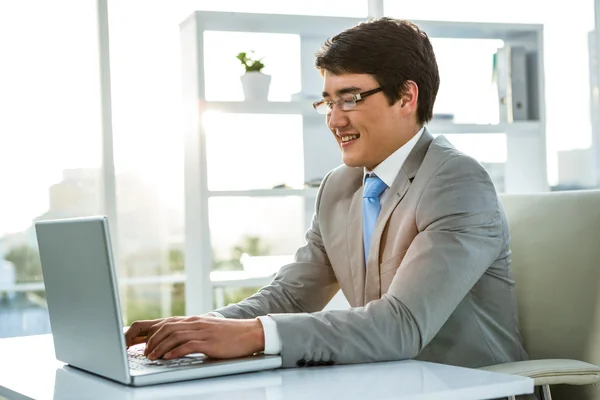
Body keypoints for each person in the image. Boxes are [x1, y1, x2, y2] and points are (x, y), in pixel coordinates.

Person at [126, 17, 528, 372]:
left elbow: (400, 325)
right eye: (328, 101)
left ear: (406, 97)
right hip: (387, 381)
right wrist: (197, 330)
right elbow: (290, 295)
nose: (334, 120)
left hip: (472, 386)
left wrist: (253, 335)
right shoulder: (341, 184)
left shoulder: (456, 180)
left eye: (350, 98)